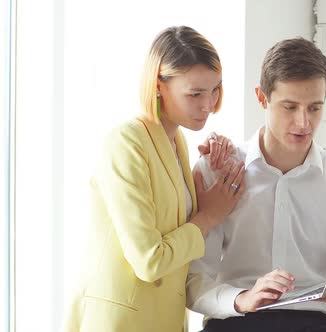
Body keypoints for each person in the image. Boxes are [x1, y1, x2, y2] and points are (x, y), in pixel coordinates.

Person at [186, 38, 326, 332]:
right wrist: (242, 298)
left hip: (319, 324)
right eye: (289, 107)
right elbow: (194, 281)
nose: (303, 123)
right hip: (237, 323)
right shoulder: (218, 171)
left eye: (314, 108)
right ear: (262, 98)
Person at [63, 26, 245, 332]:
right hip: (121, 322)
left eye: (215, 89)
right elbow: (150, 260)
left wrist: (209, 167)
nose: (208, 104)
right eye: (195, 93)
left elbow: (174, 224)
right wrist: (209, 216)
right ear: (159, 84)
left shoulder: (178, 145)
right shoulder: (126, 142)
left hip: (164, 320)